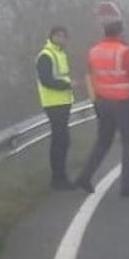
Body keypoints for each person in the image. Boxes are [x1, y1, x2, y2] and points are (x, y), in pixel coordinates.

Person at [75, 2, 129, 197]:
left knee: (103, 141)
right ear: (121, 31)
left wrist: (95, 100)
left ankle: (84, 177)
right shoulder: (125, 51)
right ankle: (127, 186)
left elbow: (91, 76)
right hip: (122, 103)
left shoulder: (94, 51)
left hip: (103, 102)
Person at [36, 25, 76, 190]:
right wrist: (67, 85)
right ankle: (58, 179)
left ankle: (61, 176)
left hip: (63, 102)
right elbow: (46, 80)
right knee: (60, 141)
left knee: (63, 141)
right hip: (53, 104)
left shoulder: (61, 54)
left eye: (64, 36)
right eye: (58, 36)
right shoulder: (45, 55)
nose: (61, 39)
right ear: (51, 36)